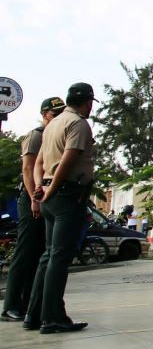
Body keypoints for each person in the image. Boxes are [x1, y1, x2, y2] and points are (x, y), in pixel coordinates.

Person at [26, 83, 97, 333]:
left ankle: (34, 315)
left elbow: (40, 162)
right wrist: (53, 188)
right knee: (59, 258)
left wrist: (40, 187)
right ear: (87, 102)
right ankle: (53, 317)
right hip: (67, 195)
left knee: (48, 256)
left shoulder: (53, 124)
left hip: (49, 194)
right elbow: (68, 160)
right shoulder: (78, 124)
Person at [1, 97, 65, 322]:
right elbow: (28, 169)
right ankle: (10, 306)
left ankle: (29, 303)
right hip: (31, 199)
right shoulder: (36, 135)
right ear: (44, 114)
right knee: (25, 253)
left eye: (60, 112)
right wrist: (33, 200)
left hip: (48, 198)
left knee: (40, 253)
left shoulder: (57, 135)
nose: (57, 116)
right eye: (53, 113)